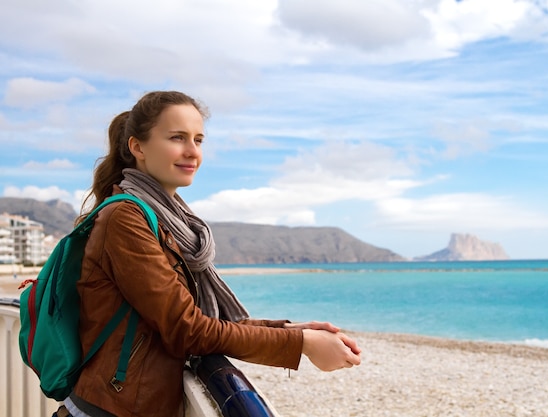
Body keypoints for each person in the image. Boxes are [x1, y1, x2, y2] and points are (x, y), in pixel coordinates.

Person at [63, 91, 361, 417]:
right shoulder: (125, 219)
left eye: (199, 140)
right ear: (138, 147)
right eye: (177, 138)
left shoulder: (172, 222)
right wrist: (302, 344)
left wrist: (292, 330)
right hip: (107, 409)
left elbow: (208, 321)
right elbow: (187, 330)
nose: (193, 152)